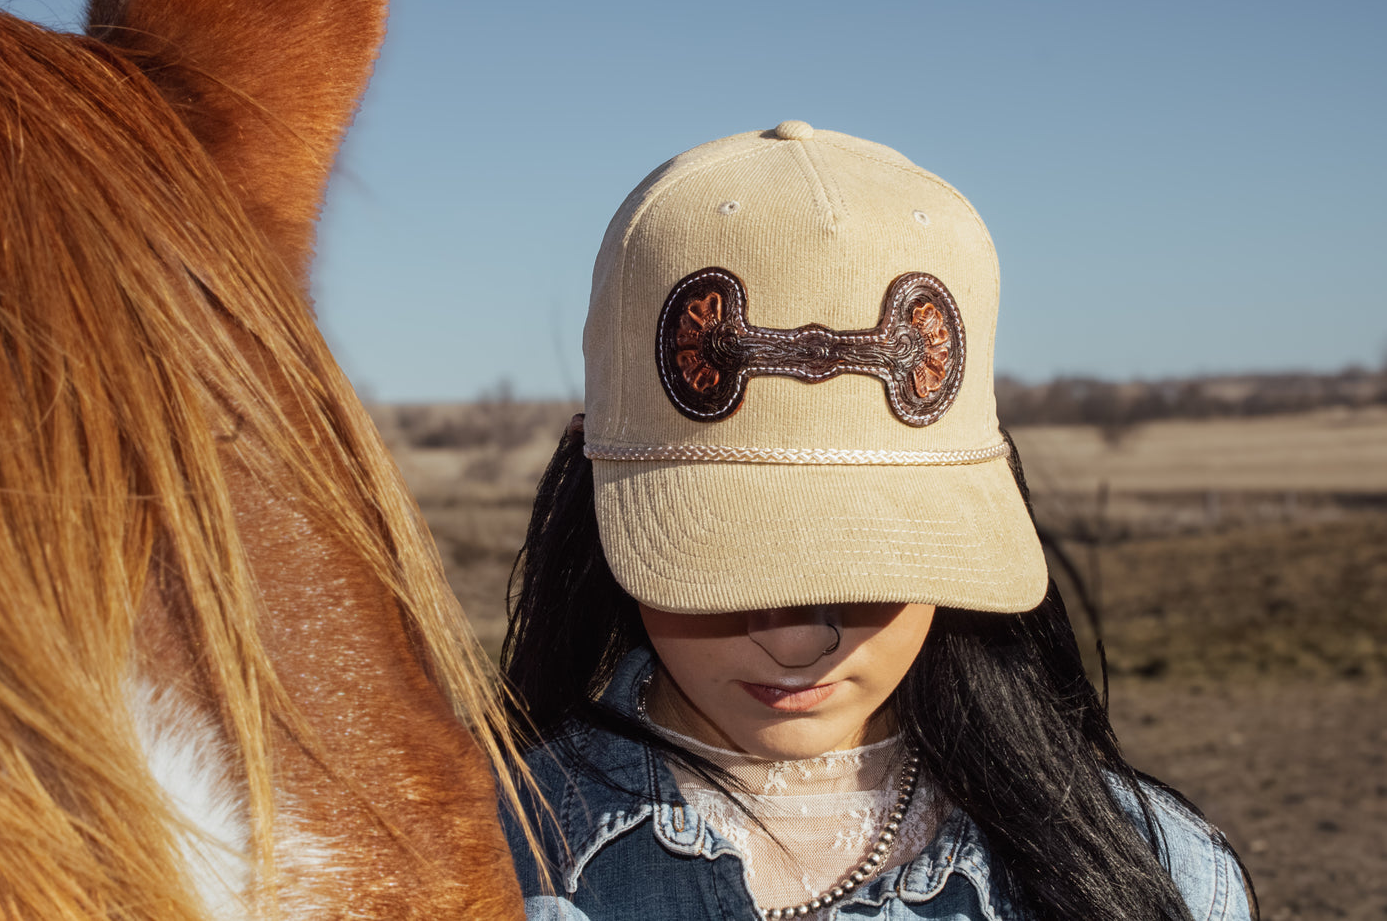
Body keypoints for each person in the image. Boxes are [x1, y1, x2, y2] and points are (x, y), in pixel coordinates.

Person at [501, 121, 1255, 921]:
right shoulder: (446, 871)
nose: (799, 641)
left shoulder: (1163, 876)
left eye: (874, 560)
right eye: (725, 557)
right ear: (595, 503)